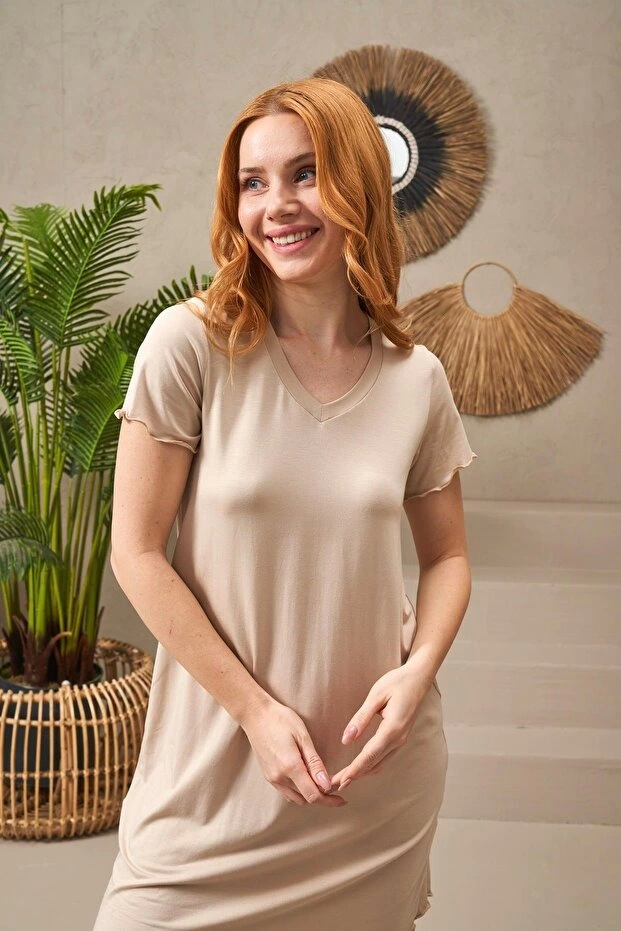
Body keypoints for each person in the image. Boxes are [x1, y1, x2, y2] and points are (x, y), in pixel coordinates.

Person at [93, 77, 478, 931]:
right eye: (253, 182)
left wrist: (418, 672)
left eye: (306, 173)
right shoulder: (191, 345)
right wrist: (255, 711)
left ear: (358, 186)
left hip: (370, 788)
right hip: (212, 780)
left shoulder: (415, 377)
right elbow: (137, 552)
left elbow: (448, 556)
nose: (277, 205)